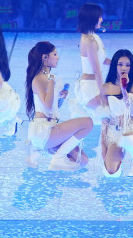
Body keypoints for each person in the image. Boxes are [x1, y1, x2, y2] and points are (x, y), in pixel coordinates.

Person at [25, 41, 94, 171]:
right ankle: (58, 157)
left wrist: (60, 97)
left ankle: (55, 155)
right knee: (88, 122)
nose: (58, 57)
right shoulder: (39, 78)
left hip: (51, 128)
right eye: (55, 54)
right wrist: (52, 83)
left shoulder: (47, 77)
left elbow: (53, 108)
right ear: (45, 57)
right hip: (44, 131)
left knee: (83, 161)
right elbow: (47, 106)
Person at [100, 49, 133, 177]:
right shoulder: (106, 88)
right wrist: (103, 146)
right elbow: (105, 117)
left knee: (129, 138)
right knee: (110, 171)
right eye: (120, 64)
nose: (124, 68)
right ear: (114, 66)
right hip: (115, 131)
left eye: (127, 65)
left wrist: (124, 89)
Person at [72, 2, 110, 118]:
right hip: (89, 88)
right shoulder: (89, 41)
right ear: (92, 18)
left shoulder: (94, 37)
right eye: (99, 17)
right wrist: (103, 95)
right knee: (112, 111)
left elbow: (103, 60)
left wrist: (121, 64)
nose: (102, 20)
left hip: (95, 84)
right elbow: (96, 71)